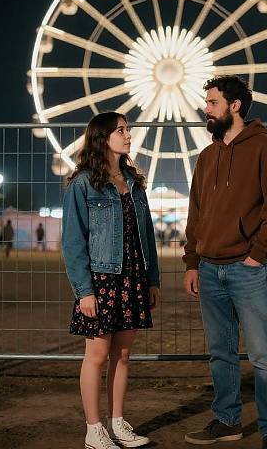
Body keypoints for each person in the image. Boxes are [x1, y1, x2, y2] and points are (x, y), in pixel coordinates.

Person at [183, 75, 267, 449]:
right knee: (221, 353)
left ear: (234, 105)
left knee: (263, 354)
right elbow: (196, 215)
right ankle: (227, 420)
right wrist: (192, 262)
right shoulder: (206, 157)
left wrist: (257, 254)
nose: (206, 108)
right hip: (210, 270)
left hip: (246, 269)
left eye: (212, 102)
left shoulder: (265, 149)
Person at [62, 112, 160, 449]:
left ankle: (118, 422)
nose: (128, 135)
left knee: (122, 355)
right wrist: (84, 291)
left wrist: (152, 280)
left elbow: (146, 236)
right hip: (101, 278)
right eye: (121, 130)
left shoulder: (134, 183)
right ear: (103, 137)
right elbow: (73, 242)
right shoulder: (83, 184)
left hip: (132, 275)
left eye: (128, 129)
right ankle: (94, 429)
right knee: (97, 355)